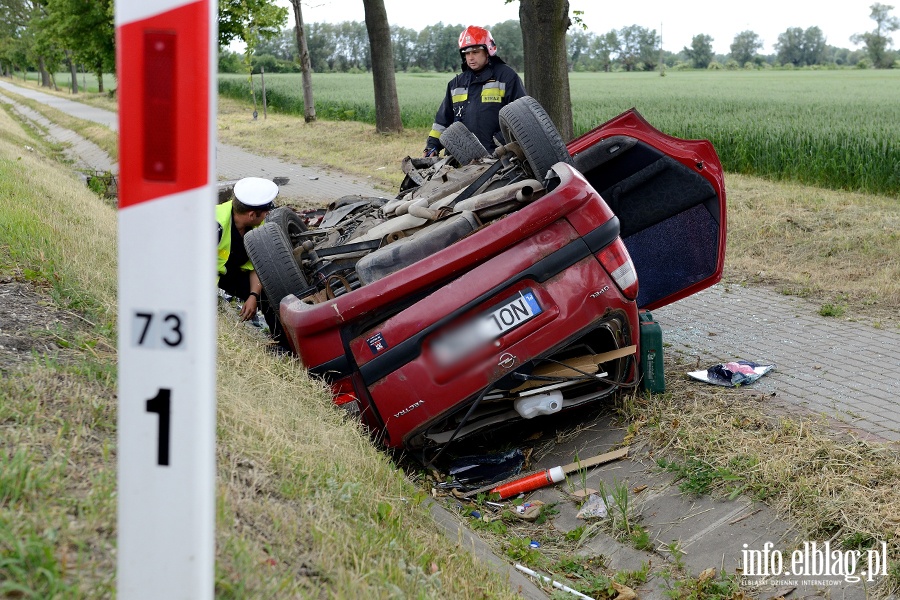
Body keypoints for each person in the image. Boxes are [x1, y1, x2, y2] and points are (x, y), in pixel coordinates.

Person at [424, 25, 527, 158]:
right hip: (459, 159)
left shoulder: (507, 77)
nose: (470, 57)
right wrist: (432, 146)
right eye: (467, 53)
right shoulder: (455, 84)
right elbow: (442, 122)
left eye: (475, 52)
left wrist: (500, 141)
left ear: (488, 50)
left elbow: (521, 116)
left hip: (498, 158)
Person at [216, 177, 284, 344]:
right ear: (252, 214)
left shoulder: (255, 227)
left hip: (229, 273)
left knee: (268, 297)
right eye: (266, 210)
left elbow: (257, 264)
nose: (268, 214)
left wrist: (253, 295)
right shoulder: (214, 225)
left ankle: (282, 345)